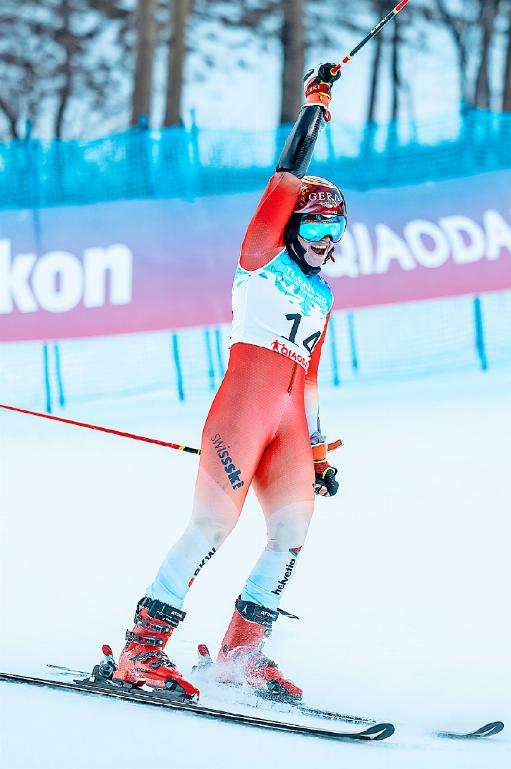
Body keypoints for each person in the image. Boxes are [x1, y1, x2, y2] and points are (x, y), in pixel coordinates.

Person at [112, 63, 346, 702]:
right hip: (243, 406)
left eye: (337, 229)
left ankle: (243, 654)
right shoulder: (262, 252)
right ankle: (142, 650)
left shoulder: (324, 296)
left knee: (291, 536)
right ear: (294, 225)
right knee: (212, 528)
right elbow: (286, 176)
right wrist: (315, 107)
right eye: (317, 225)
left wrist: (320, 450)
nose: (327, 239)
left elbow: (313, 378)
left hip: (290, 419)